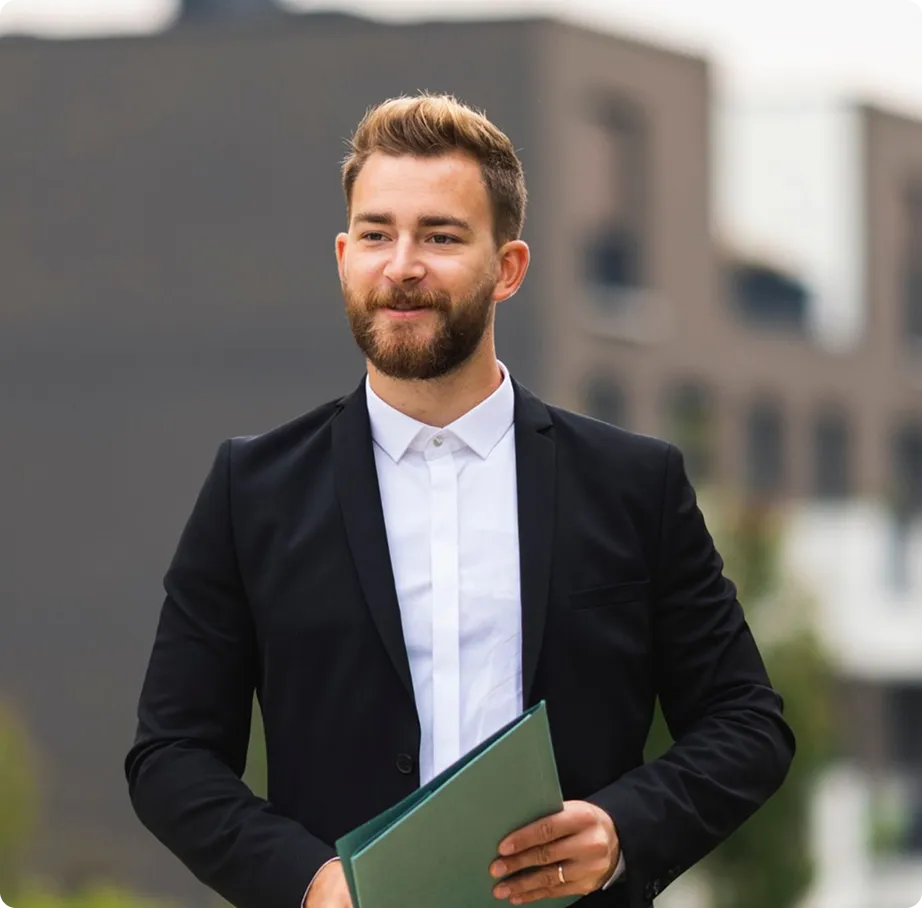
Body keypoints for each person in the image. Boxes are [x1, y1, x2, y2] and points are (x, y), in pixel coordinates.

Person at [125, 93, 795, 908]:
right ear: (344, 256)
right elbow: (171, 755)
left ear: (507, 268)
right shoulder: (251, 490)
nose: (401, 263)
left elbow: (747, 723)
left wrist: (623, 829)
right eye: (376, 234)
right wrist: (308, 883)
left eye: (440, 236)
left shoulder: (633, 485)